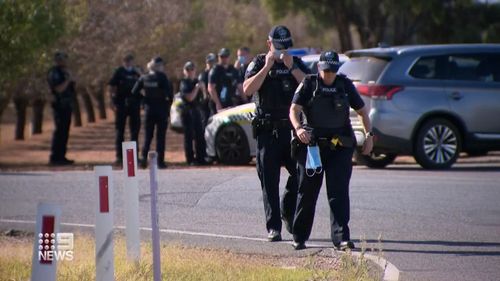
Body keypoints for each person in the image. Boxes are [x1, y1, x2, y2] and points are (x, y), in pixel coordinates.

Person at [289, 51, 374, 250]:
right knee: (307, 192)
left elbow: (362, 112)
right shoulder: (309, 83)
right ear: (319, 68)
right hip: (313, 147)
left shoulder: (344, 85)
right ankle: (299, 236)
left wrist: (369, 136)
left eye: (332, 71)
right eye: (326, 70)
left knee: (338, 193)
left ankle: (341, 238)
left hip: (339, 147)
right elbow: (294, 109)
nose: (329, 75)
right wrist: (299, 128)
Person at [243, 25, 309, 242]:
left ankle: (287, 211)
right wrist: (268, 66)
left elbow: (311, 88)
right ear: (268, 44)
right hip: (267, 132)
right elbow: (247, 90)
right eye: (278, 47)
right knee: (269, 182)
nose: (282, 51)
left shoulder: (295, 63)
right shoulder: (259, 62)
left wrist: (292, 69)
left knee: (301, 176)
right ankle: (274, 228)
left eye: (286, 47)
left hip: (291, 132)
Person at [132, 57, 173, 169]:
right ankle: (160, 162)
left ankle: (143, 160)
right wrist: (168, 106)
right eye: (161, 65)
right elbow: (169, 94)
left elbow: (134, 92)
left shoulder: (144, 77)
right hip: (161, 110)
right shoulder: (162, 77)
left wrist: (144, 99)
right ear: (158, 66)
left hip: (148, 110)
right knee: (160, 137)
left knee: (147, 136)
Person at [108, 54, 142, 165]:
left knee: (134, 131)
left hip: (134, 104)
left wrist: (139, 72)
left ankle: (134, 156)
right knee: (120, 130)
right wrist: (112, 101)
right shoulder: (119, 72)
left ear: (133, 61)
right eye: (126, 61)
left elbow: (144, 82)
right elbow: (112, 87)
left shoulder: (137, 72)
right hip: (121, 103)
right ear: (123, 61)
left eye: (130, 60)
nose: (128, 63)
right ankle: (119, 156)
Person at [47, 51, 76, 166]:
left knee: (65, 131)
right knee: (59, 131)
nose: (64, 61)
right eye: (62, 59)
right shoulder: (55, 73)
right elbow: (58, 89)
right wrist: (68, 80)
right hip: (59, 105)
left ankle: (62, 156)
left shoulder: (65, 72)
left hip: (67, 105)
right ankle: (55, 157)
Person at [180, 61, 207, 165]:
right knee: (189, 136)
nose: (190, 71)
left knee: (200, 135)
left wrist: (203, 89)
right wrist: (196, 88)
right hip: (187, 112)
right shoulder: (184, 83)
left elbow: (204, 98)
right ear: (184, 71)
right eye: (188, 69)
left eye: (192, 69)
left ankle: (201, 158)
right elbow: (190, 98)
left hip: (197, 111)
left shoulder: (198, 82)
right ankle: (190, 159)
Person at [208, 48, 243, 114]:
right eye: (222, 56)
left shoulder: (233, 70)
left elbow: (240, 86)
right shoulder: (215, 70)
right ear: (218, 57)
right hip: (219, 103)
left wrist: (245, 100)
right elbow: (211, 88)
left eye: (226, 56)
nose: (224, 58)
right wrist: (218, 104)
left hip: (230, 102)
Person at [198, 53, 216, 125]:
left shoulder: (215, 73)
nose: (211, 64)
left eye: (212, 62)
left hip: (213, 101)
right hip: (205, 103)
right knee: (205, 121)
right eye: (209, 62)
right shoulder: (203, 75)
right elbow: (203, 89)